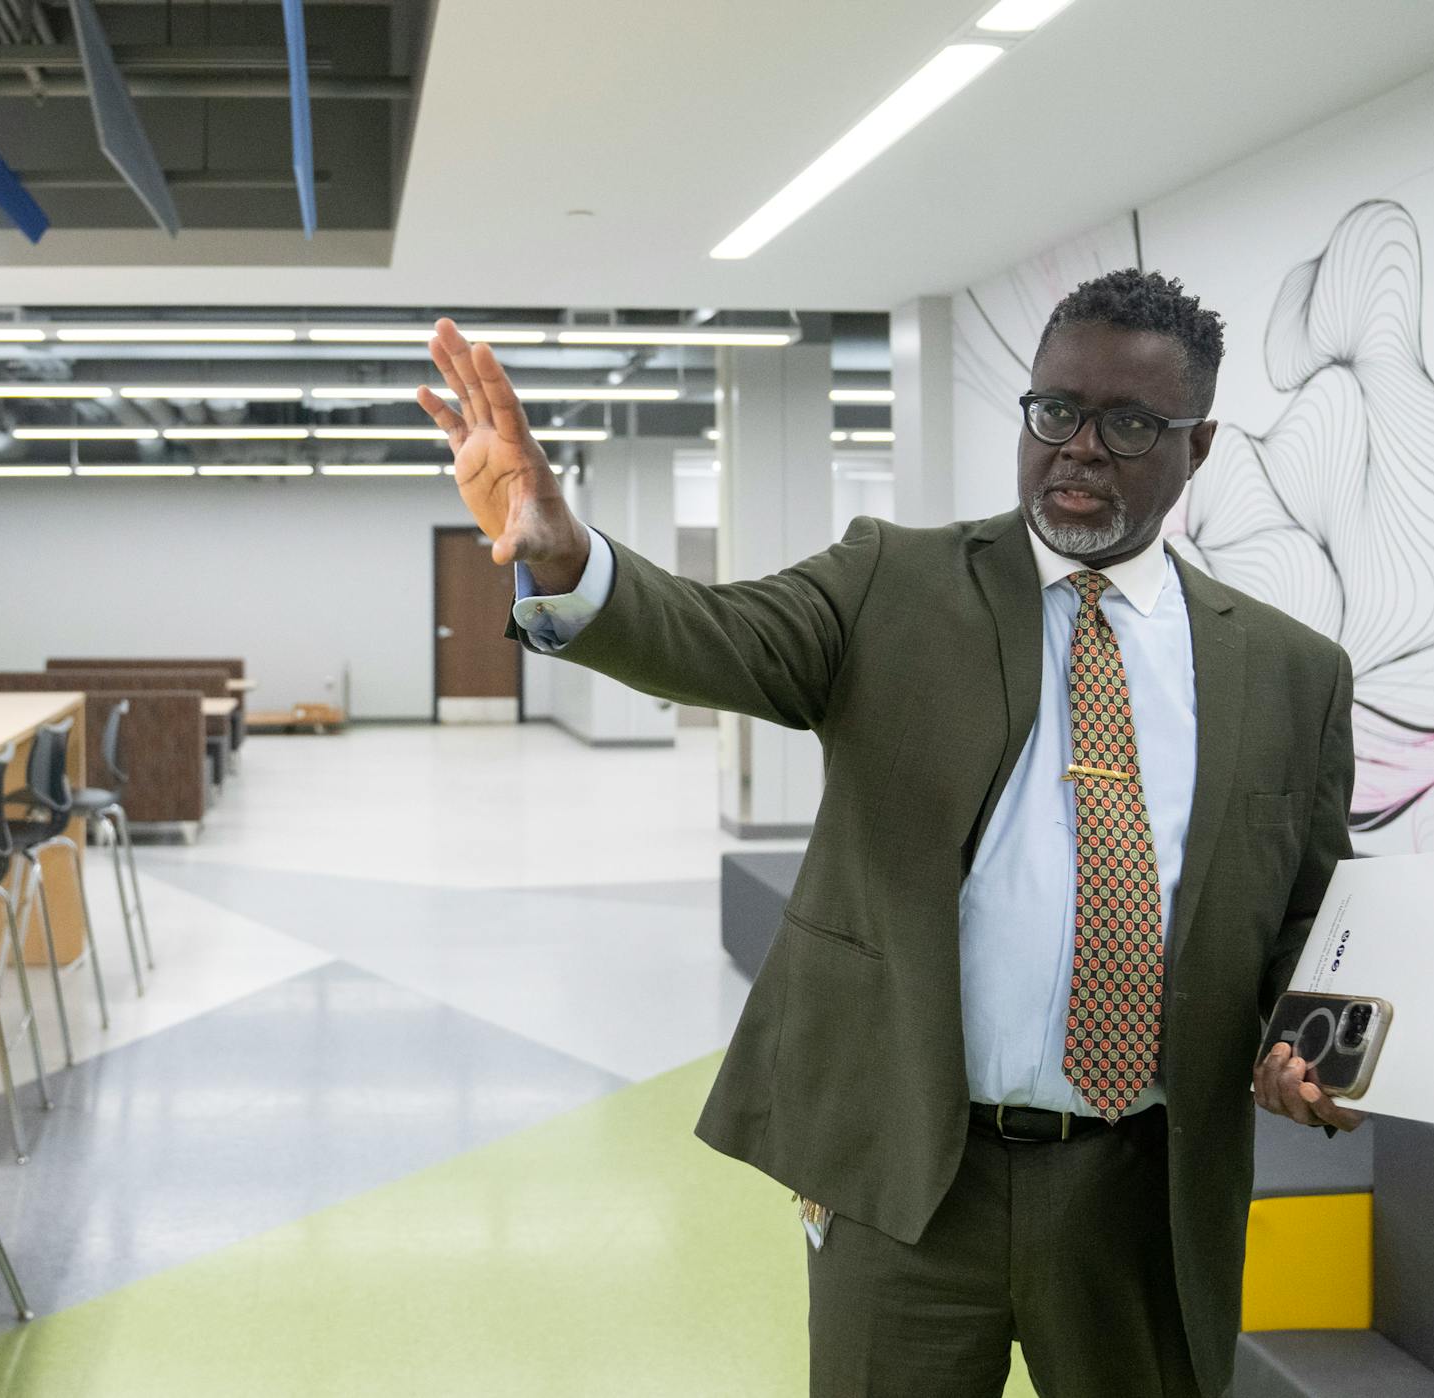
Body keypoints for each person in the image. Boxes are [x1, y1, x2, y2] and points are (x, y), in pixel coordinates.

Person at [416, 269, 1361, 1398]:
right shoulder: (894, 585)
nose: (1079, 450)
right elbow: (713, 633)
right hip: (907, 1176)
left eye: (1128, 425)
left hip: (1143, 1191)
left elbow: (1310, 917)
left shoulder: (1291, 672)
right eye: (1056, 412)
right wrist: (569, 556)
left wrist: (1311, 1048)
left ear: (1197, 445)